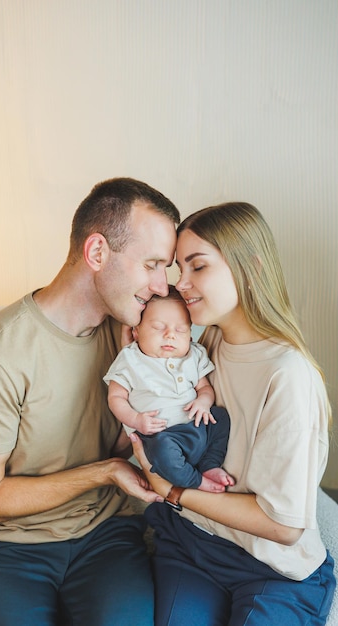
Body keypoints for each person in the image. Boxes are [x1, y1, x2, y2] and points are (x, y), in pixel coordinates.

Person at [0, 177, 181, 626]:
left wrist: (144, 366)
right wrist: (105, 472)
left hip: (107, 535)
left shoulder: (136, 337)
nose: (162, 286)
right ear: (96, 253)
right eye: (151, 264)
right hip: (7, 547)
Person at [130, 201, 336, 625]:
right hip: (191, 545)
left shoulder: (288, 376)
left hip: (273, 570)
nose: (180, 284)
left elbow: (284, 527)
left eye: (197, 267)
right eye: (178, 270)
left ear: (252, 268)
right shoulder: (205, 347)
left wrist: (175, 492)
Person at [104, 285, 235, 492]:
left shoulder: (194, 355)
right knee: (161, 451)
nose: (170, 335)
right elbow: (116, 397)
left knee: (221, 417)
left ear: (190, 335)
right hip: (162, 435)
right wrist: (136, 420)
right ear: (136, 332)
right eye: (157, 327)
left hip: (197, 426)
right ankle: (196, 481)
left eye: (181, 330)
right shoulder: (130, 359)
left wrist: (203, 402)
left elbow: (205, 388)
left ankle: (210, 465)